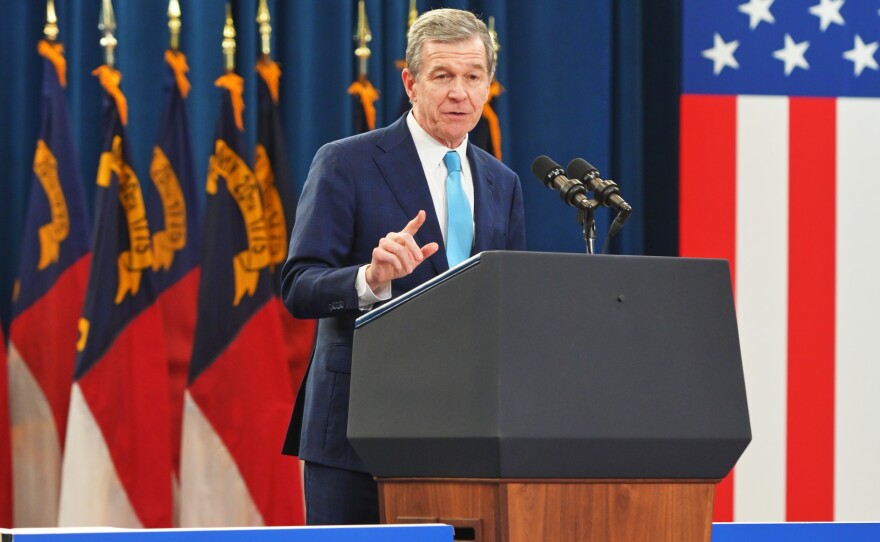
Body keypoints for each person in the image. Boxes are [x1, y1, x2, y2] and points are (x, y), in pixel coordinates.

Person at [280, 8, 526, 525]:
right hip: (359, 433)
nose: (459, 92)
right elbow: (298, 286)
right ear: (411, 82)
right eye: (443, 76)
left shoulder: (502, 183)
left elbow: (510, 303)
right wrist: (368, 280)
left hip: (467, 436)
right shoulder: (346, 162)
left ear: (489, 85)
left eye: (473, 76)